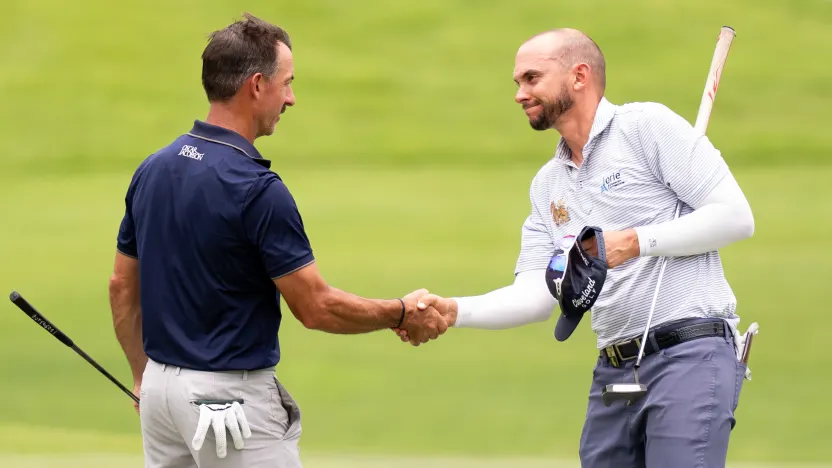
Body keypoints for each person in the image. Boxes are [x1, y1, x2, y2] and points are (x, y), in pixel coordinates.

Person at [400, 28, 755, 467]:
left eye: (531, 78)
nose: (519, 93)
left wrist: (634, 242)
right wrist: (454, 310)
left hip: (690, 352)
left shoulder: (645, 127)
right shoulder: (548, 185)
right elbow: (536, 294)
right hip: (615, 368)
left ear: (579, 76)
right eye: (517, 83)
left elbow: (736, 217)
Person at [107, 13, 446, 468]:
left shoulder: (153, 169)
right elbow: (316, 307)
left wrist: (142, 377)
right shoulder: (258, 189)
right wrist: (400, 313)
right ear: (256, 85)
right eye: (286, 83)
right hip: (228, 406)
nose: (291, 98)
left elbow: (122, 288)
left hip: (161, 398)